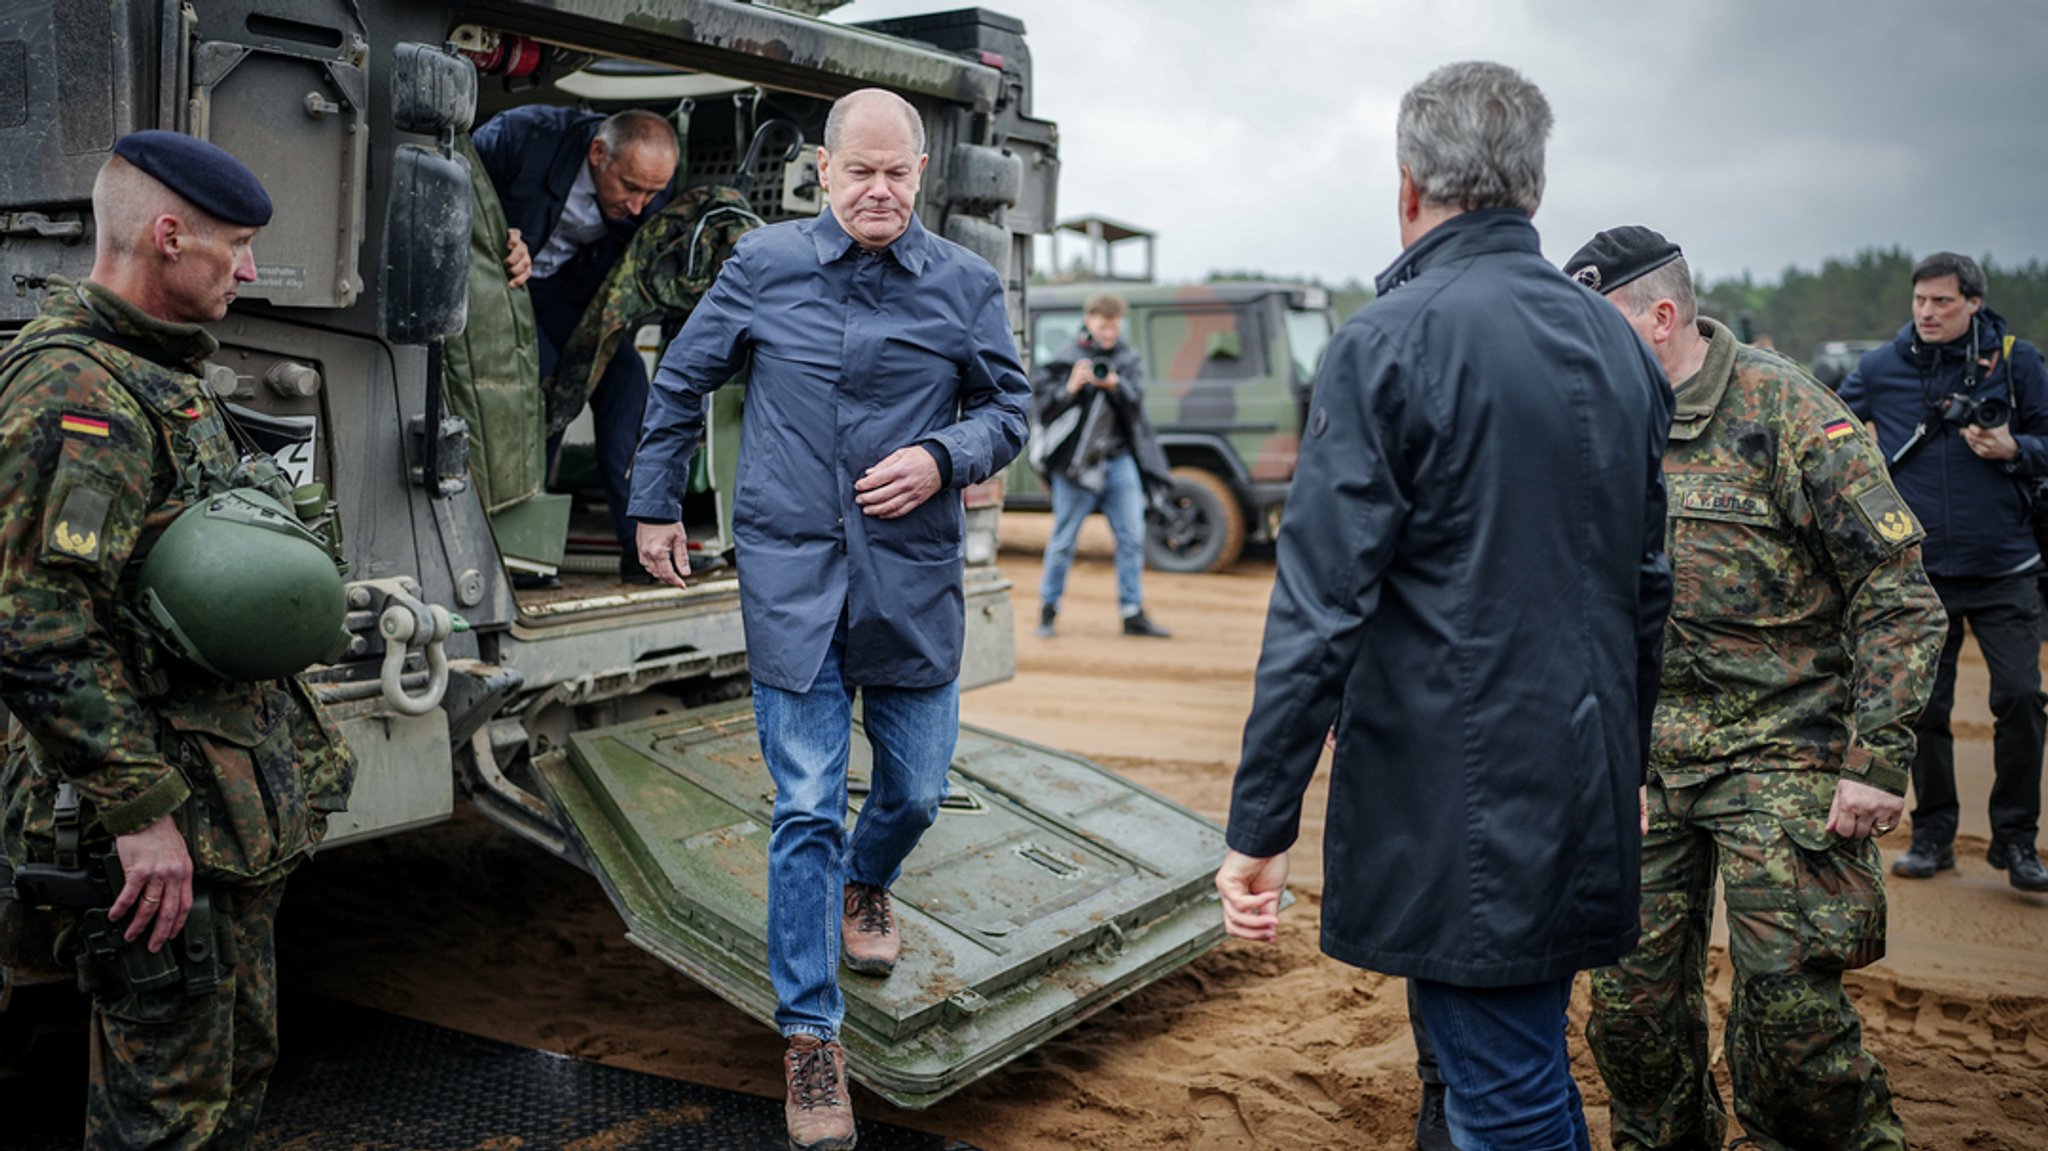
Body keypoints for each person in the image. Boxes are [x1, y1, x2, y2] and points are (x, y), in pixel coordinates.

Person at [1213, 62, 1673, 1151]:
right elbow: (1646, 586)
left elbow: (1319, 608)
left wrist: (1258, 826)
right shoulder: (1618, 342)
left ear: (1408, 185)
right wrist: (1630, 761)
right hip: (1578, 770)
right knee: (1492, 1061)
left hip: (1459, 798)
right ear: (1530, 186)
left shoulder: (1387, 340)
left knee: (1502, 1087)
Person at [626, 88, 1028, 1151]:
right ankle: (811, 1038)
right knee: (804, 801)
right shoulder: (761, 267)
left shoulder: (964, 284)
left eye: (899, 173)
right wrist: (654, 500)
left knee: (913, 788)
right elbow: (682, 379)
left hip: (908, 583)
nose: (880, 191)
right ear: (821, 169)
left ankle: (870, 879)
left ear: (922, 176)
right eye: (861, 171)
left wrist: (943, 455)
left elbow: (1010, 409)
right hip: (793, 576)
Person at [0, 132, 354, 1148]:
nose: (248, 270)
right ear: (168, 237)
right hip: (162, 826)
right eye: (235, 246)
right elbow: (36, 627)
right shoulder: (78, 395)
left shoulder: (159, 377)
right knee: (166, 1116)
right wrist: (141, 811)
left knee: (230, 1076)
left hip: (220, 812)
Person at [1567, 226, 1946, 1151]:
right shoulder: (1589, 421)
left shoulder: (1789, 414)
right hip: (1645, 763)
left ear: (1661, 318)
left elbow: (1899, 598)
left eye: (1593, 319)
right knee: (1629, 1016)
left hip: (1783, 752)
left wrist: (1877, 761)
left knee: (1790, 1026)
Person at [1838, 253, 2048, 893]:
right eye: (1920, 300)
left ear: (1973, 304)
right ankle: (1932, 835)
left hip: (2005, 565)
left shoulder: (2019, 363)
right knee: (1925, 707)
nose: (1927, 312)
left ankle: (2015, 842)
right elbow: (1825, 433)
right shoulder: (1879, 368)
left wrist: (2017, 448)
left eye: (1942, 303)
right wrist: (1863, 474)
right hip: (1917, 570)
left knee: (2019, 697)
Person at [471, 105, 679, 581]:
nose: (638, 206)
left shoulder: (646, 191)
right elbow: (449, 190)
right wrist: (492, 238)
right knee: (540, 381)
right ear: (597, 152)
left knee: (627, 382)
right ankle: (522, 554)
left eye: (653, 192)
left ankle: (643, 550)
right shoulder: (521, 136)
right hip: (498, 291)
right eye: (630, 187)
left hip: (570, 295)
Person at [1032, 291, 1172, 639]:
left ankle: (1132, 613)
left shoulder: (1127, 359)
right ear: (1089, 319)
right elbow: (1042, 408)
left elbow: (1137, 403)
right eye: (1103, 325)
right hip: (1076, 467)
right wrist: (1070, 388)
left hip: (1119, 460)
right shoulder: (1067, 358)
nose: (1109, 333)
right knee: (1063, 541)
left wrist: (1116, 385)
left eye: (1114, 327)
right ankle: (1048, 612)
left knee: (1132, 538)